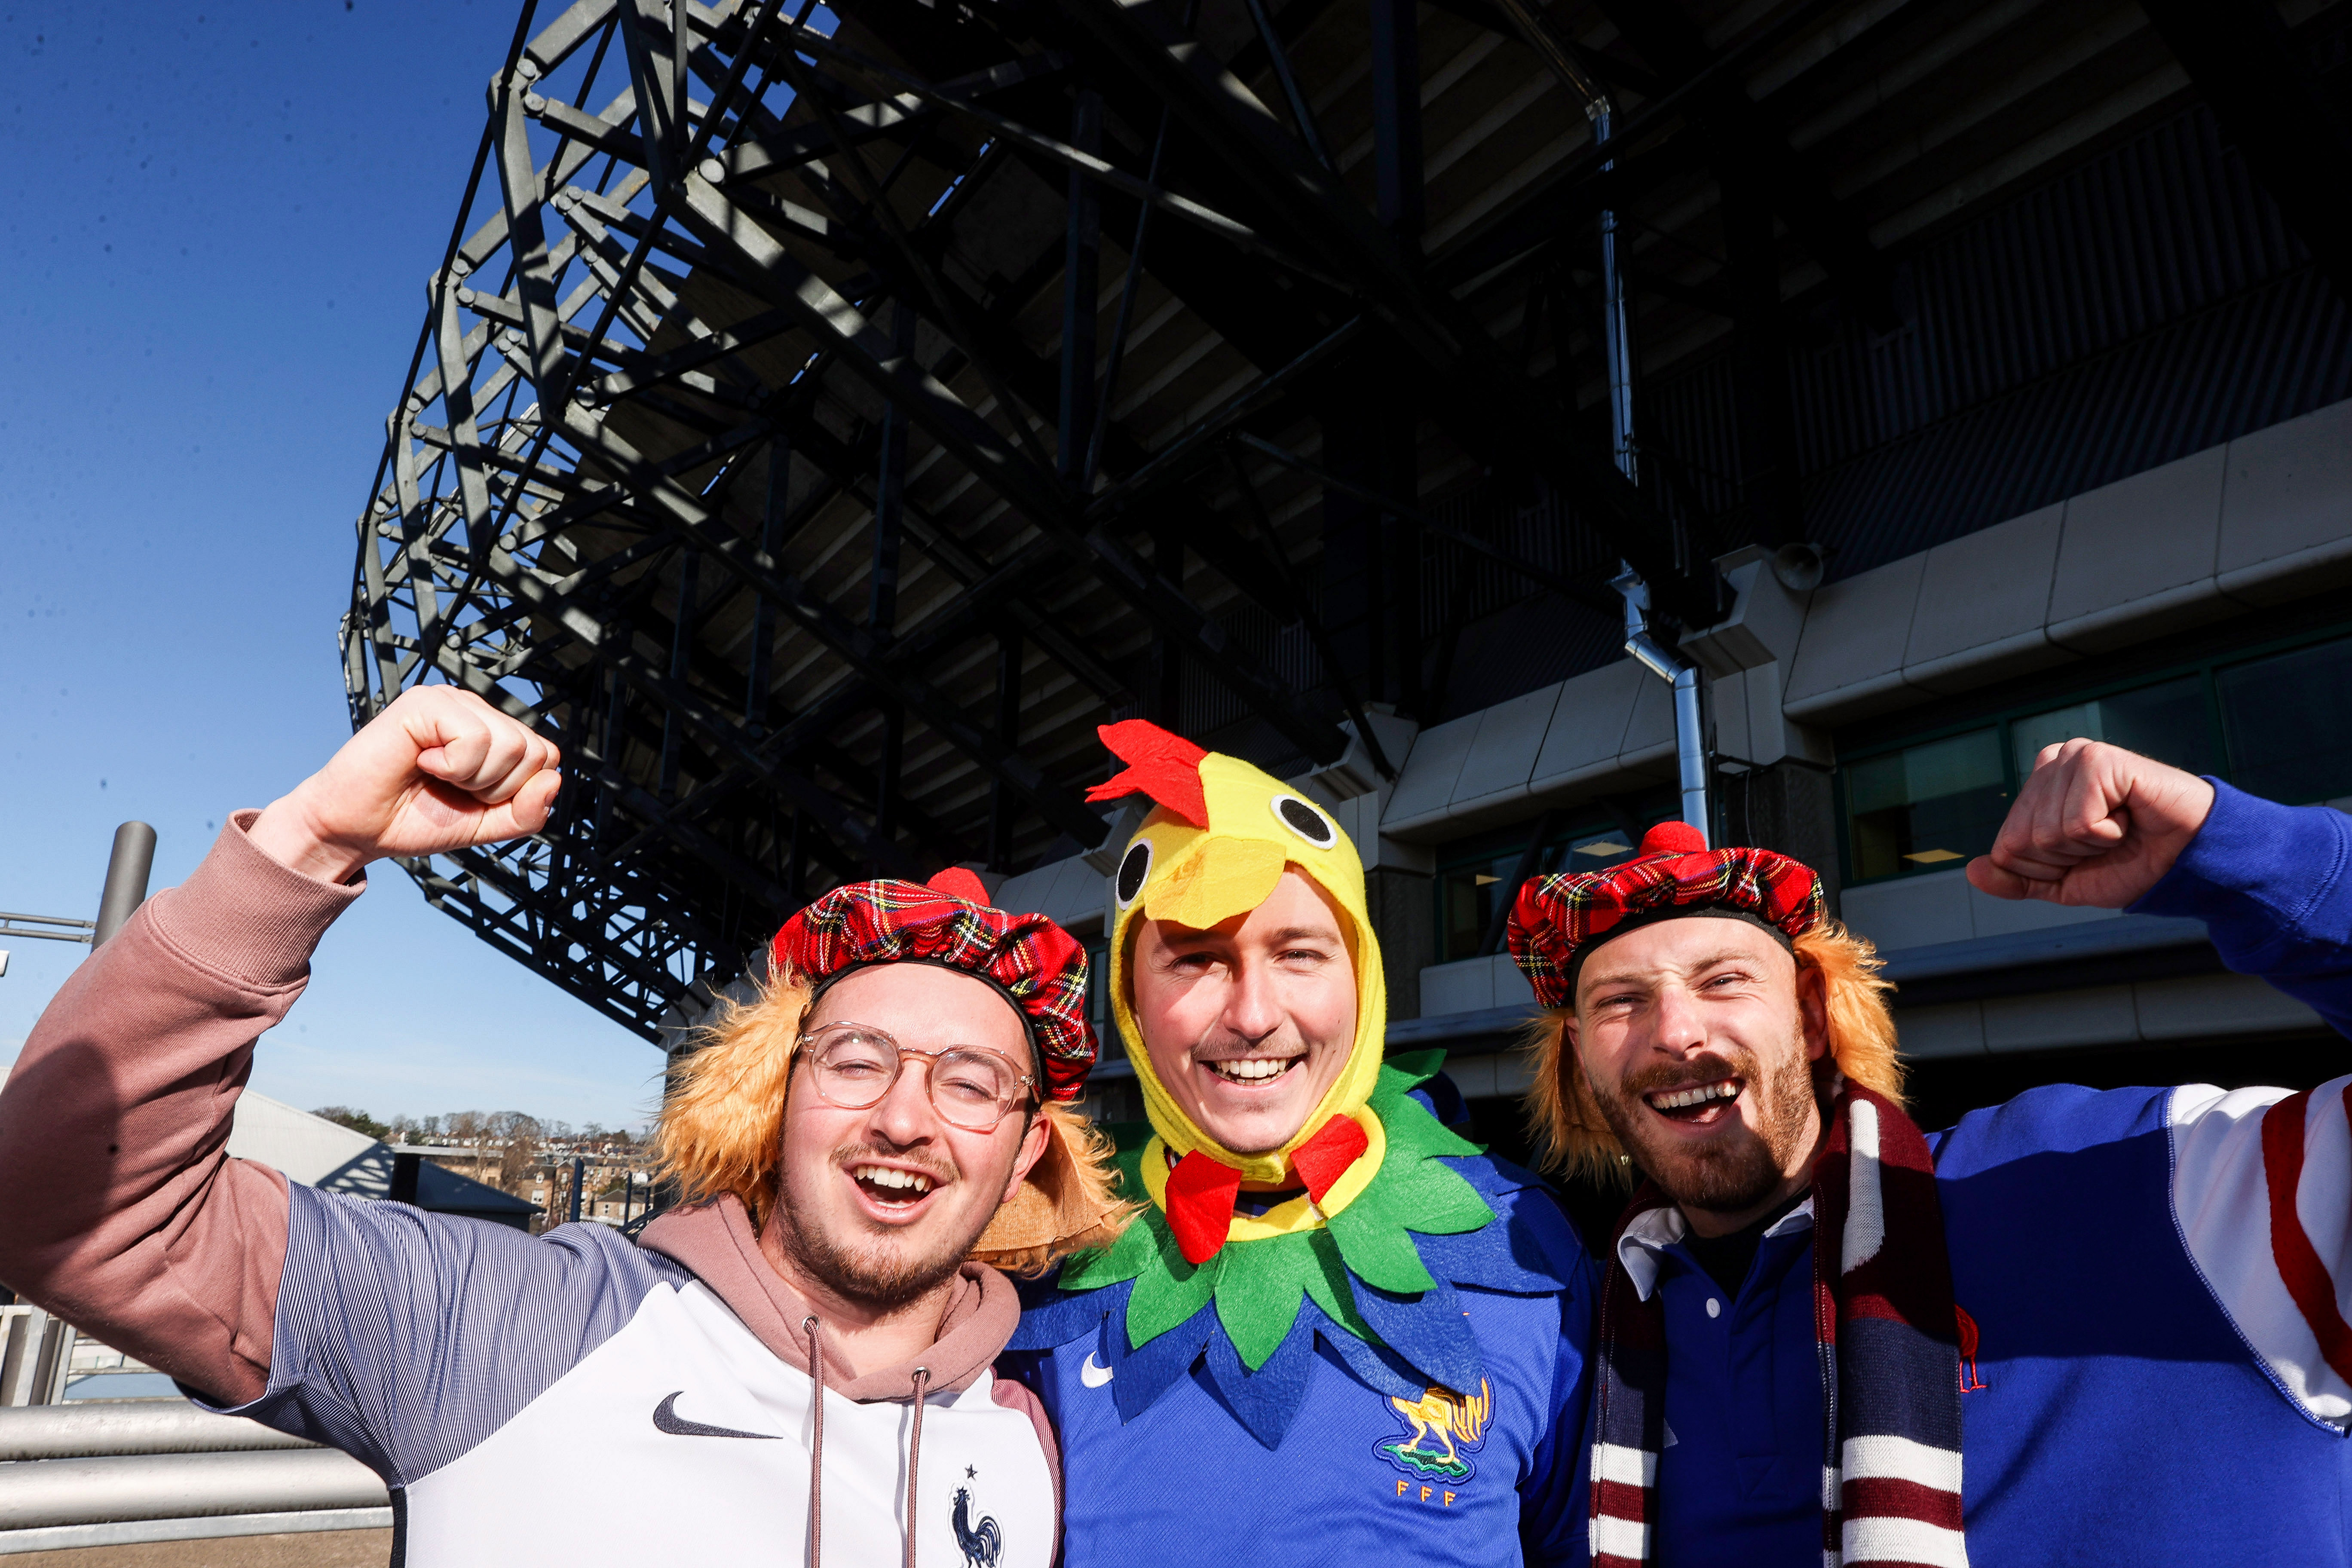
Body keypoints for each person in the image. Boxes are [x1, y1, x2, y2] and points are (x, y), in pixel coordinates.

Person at [0, 685, 1129, 1567]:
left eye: (972, 1082)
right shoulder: (509, 1326)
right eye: (858, 1058)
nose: (904, 1119)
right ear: (774, 1096)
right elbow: (73, 1214)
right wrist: (305, 847)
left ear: (1028, 1147)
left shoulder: (1038, 1438)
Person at [1507, 738, 2352, 1567]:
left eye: (1725, 980)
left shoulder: (2139, 1185)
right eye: (1622, 1001)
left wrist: (2256, 859)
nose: (1677, 1032)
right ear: (1582, 1058)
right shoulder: (1588, 1344)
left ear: (1809, 1017)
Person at [1003, 720, 1592, 1565]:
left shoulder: (1525, 1241)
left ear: (1364, 981)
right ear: (1129, 1005)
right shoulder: (1039, 1255)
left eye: (1299, 953)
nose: (1252, 1015)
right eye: (1198, 960)